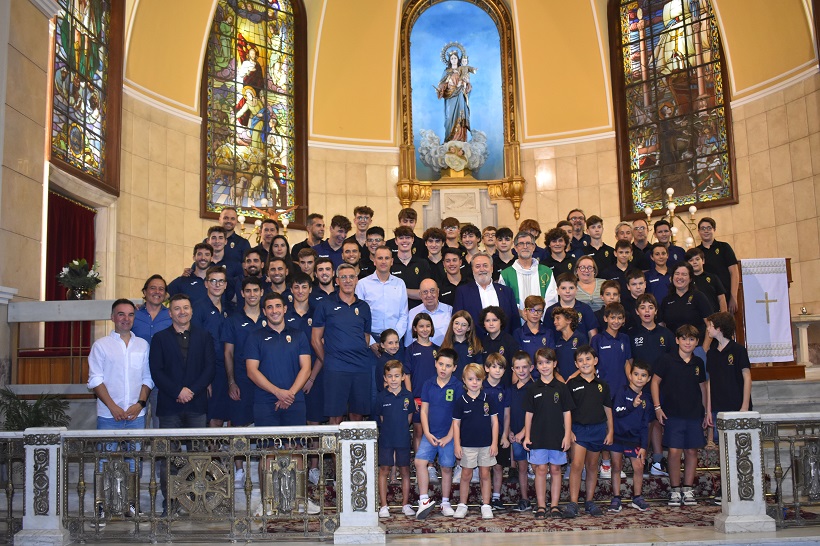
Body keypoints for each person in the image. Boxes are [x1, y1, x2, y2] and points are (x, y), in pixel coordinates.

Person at [149, 294, 215, 515]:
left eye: (186, 308)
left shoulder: (204, 336)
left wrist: (192, 391)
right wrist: (178, 391)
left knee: (198, 456)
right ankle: (171, 503)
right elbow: (156, 371)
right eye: (177, 309)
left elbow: (209, 368)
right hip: (170, 405)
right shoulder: (159, 338)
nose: (182, 312)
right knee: (170, 458)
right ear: (170, 313)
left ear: (191, 311)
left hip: (196, 405)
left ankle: (197, 502)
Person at [652, 325, 709, 507]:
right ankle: (675, 489)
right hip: (672, 414)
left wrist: (707, 411)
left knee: (691, 451)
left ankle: (688, 488)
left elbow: (703, 387)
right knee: (675, 451)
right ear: (677, 340)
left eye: (692, 339)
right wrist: (657, 407)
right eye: (684, 338)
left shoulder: (698, 362)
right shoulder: (666, 360)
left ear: (697, 342)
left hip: (693, 414)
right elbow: (655, 382)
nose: (687, 342)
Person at [311, 263, 374, 424]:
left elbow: (366, 337)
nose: (347, 281)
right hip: (336, 369)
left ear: (356, 280)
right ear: (337, 280)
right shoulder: (325, 305)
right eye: (343, 277)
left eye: (351, 277)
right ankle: (335, 450)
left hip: (360, 368)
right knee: (335, 416)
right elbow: (315, 339)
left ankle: (354, 449)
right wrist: (329, 362)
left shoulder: (364, 307)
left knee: (357, 415)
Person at [245, 292, 312, 426]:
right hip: (265, 401)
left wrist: (289, 395)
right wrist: (278, 392)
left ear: (285, 309)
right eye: (269, 307)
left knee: (295, 445)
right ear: (264, 311)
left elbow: (306, 368)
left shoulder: (299, 335)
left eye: (278, 306)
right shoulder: (255, 337)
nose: (274, 311)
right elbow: (251, 371)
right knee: (267, 446)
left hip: (294, 399)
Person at [523, 347, 574, 519]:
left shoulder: (561, 387)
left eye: (548, 362)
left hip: (557, 436)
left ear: (554, 364)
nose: (544, 366)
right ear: (536, 366)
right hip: (538, 436)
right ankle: (541, 505)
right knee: (541, 469)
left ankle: (554, 505)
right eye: (540, 363)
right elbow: (528, 414)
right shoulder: (532, 388)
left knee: (555, 469)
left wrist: (567, 435)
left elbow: (567, 412)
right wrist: (527, 435)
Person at [563, 346, 613, 518]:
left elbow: (607, 408)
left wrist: (610, 430)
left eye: (588, 359)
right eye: (581, 360)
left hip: (598, 430)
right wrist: (568, 431)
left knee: (592, 466)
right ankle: (573, 503)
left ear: (595, 361)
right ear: (576, 364)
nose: (585, 363)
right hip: (578, 430)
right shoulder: (571, 384)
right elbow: (566, 410)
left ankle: (590, 501)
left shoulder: (603, 385)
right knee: (576, 465)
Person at [628, 293, 674, 477]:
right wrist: (633, 383)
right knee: (642, 424)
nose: (647, 311)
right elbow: (629, 361)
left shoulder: (666, 334)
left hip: (662, 386)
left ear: (656, 311)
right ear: (637, 312)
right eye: (643, 308)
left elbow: (673, 360)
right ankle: (641, 459)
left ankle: (656, 461)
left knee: (656, 422)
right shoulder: (632, 334)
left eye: (650, 307)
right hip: (640, 386)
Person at [415, 348, 462, 519]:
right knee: (420, 462)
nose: (443, 368)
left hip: (448, 436)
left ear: (454, 368)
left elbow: (458, 415)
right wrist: (426, 432)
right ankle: (424, 499)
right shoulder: (428, 384)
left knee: (447, 467)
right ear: (435, 364)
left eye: (448, 366)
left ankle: (445, 502)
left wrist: (450, 436)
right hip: (431, 434)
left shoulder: (457, 386)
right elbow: (424, 410)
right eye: (441, 364)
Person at [452, 363, 500, 520]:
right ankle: (462, 505)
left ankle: (486, 505)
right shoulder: (460, 401)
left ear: (483, 380)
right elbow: (456, 424)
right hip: (467, 445)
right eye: (470, 379)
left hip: (486, 444)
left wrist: (494, 443)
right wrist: (457, 444)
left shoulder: (489, 399)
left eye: (478, 379)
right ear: (464, 381)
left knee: (485, 474)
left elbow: (495, 422)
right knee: (466, 474)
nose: (474, 382)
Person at [608, 360, 652, 513]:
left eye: (643, 375)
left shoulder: (646, 399)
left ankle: (637, 497)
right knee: (616, 466)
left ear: (649, 379)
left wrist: (644, 446)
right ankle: (616, 497)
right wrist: (631, 405)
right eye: (636, 374)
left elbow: (646, 425)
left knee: (638, 467)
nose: (639, 378)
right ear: (630, 376)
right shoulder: (622, 391)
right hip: (618, 436)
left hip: (634, 439)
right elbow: (616, 412)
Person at [192, 266, 232, 428]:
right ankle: (213, 453)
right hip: (209, 369)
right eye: (213, 281)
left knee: (228, 415)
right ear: (206, 284)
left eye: (221, 281)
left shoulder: (230, 308)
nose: (217, 285)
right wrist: (205, 377)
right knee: (213, 417)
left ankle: (225, 453)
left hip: (228, 368)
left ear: (226, 285)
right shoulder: (198, 308)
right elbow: (195, 344)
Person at [375, 360, 416, 519]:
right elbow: (382, 418)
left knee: (405, 470)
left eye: (397, 376)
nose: (393, 379)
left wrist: (400, 430)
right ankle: (383, 505)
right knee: (384, 470)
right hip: (386, 438)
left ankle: (405, 504)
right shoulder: (381, 397)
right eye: (390, 376)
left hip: (403, 438)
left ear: (403, 377)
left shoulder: (408, 396)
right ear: (385, 378)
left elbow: (409, 418)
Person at [355, 246, 409, 354]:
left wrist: (393, 339)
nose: (383, 261)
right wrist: (371, 342)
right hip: (371, 339)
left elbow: (404, 314)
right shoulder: (363, 284)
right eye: (380, 258)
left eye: (387, 258)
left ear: (392, 261)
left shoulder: (400, 283)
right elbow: (359, 316)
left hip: (396, 340)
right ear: (374, 261)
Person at [453, 253, 519, 337]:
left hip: (503, 345)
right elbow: (457, 320)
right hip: (474, 344)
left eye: (485, 265)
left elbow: (515, 322)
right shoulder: (462, 292)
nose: (482, 269)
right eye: (477, 266)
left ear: (491, 268)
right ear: (472, 269)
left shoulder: (507, 292)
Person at [499, 231, 558, 322]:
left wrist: (538, 316)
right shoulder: (506, 274)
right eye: (521, 244)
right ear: (515, 248)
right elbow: (504, 301)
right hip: (517, 324)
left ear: (534, 247)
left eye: (528, 244)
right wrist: (519, 312)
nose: (525, 247)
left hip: (541, 324)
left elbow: (552, 300)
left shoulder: (546, 272)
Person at [404, 313, 440, 456]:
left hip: (435, 398)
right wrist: (411, 397)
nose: (424, 329)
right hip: (418, 398)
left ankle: (430, 466)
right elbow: (406, 375)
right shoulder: (410, 349)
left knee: (433, 430)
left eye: (427, 326)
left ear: (431, 328)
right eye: (421, 326)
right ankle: (420, 465)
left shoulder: (437, 350)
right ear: (415, 328)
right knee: (419, 431)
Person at [661, 262, 713, 357]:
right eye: (677, 274)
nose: (680, 277)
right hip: (674, 351)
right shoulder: (666, 300)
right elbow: (661, 326)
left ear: (690, 279)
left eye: (684, 274)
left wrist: (704, 349)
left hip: (697, 350)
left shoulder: (699, 297)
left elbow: (710, 325)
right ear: (672, 278)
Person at [506, 351, 535, 512]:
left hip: (532, 435)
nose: (522, 370)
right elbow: (508, 412)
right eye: (518, 367)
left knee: (538, 468)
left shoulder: (535, 387)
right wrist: (510, 431)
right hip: (516, 435)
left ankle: (542, 501)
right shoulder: (511, 390)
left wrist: (524, 432)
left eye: (525, 367)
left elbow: (535, 412)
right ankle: (525, 499)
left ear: (531, 367)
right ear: (513, 369)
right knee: (522, 467)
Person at [482, 352, 510, 511]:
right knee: (485, 467)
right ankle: (485, 497)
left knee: (498, 466)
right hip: (483, 434)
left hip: (499, 434)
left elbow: (507, 414)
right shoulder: (480, 387)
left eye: (500, 367)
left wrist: (505, 434)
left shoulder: (504, 390)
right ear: (486, 368)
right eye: (493, 367)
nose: (497, 370)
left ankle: (496, 497)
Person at [697, 217, 739, 313]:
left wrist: (733, 297)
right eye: (703, 228)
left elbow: (734, 273)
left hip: (726, 296)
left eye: (709, 228)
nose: (706, 231)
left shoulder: (724, 247)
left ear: (714, 229)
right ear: (699, 231)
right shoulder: (697, 252)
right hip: (706, 297)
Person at [545, 273, 598, 339]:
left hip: (582, 348)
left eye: (571, 288)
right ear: (558, 291)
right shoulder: (550, 311)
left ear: (576, 290)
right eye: (563, 288)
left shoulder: (585, 309)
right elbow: (547, 336)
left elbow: (593, 335)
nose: (567, 291)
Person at [390, 226, 433, 308]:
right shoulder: (390, 264)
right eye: (401, 238)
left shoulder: (422, 263)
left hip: (418, 312)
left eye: (408, 237)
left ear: (413, 240)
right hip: (395, 311)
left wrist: (399, 290)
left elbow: (424, 294)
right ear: (396, 241)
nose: (404, 240)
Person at [436, 49, 472, 142]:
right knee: (449, 118)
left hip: (460, 96)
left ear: (458, 59)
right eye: (452, 58)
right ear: (449, 60)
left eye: (455, 58)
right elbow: (441, 84)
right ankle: (449, 140)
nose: (454, 60)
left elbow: (468, 85)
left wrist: (465, 84)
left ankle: (460, 140)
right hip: (450, 97)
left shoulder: (462, 70)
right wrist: (442, 88)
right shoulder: (447, 71)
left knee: (461, 116)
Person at [479, 307, 519, 386]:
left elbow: (516, 365)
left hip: (506, 386)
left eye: (494, 320)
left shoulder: (509, 341)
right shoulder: (482, 342)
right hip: (487, 387)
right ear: (483, 324)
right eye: (487, 320)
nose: (491, 324)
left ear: (501, 322)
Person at [513, 295, 555, 371]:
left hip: (545, 374)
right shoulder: (518, 333)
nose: (535, 314)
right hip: (525, 376)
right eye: (532, 310)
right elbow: (518, 358)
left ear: (542, 313)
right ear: (525, 311)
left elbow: (551, 357)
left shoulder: (548, 333)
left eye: (539, 310)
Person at [406, 279, 452, 348]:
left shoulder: (449, 310)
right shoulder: (413, 313)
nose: (429, 295)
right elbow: (408, 343)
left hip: (445, 354)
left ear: (438, 292)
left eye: (432, 291)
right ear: (420, 295)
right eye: (425, 292)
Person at [440, 310, 484, 379]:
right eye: (456, 323)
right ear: (452, 324)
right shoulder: (445, 345)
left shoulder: (475, 345)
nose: (459, 327)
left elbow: (480, 369)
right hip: (450, 385)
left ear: (468, 328)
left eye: (464, 325)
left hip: (469, 386)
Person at [686, 248, 727, 313]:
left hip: (713, 316)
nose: (694, 262)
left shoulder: (713, 277)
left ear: (703, 261)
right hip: (693, 318)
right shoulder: (686, 280)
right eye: (691, 260)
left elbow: (721, 298)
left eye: (697, 259)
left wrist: (723, 317)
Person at [552, 307, 588, 381]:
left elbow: (587, 361)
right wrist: (558, 376)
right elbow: (553, 363)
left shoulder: (581, 338)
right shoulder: (557, 340)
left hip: (579, 380)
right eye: (554, 319)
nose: (555, 322)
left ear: (568, 320)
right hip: (562, 383)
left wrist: (574, 376)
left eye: (558, 318)